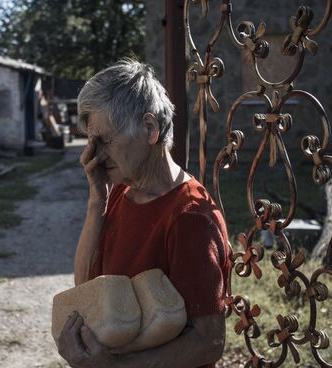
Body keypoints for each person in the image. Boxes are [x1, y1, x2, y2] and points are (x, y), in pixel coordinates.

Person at [57, 59, 232, 368]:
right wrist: (97, 202)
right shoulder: (121, 191)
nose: (93, 154)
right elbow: (85, 289)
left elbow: (208, 342)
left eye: (105, 139)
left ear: (149, 129)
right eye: (91, 140)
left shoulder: (190, 217)